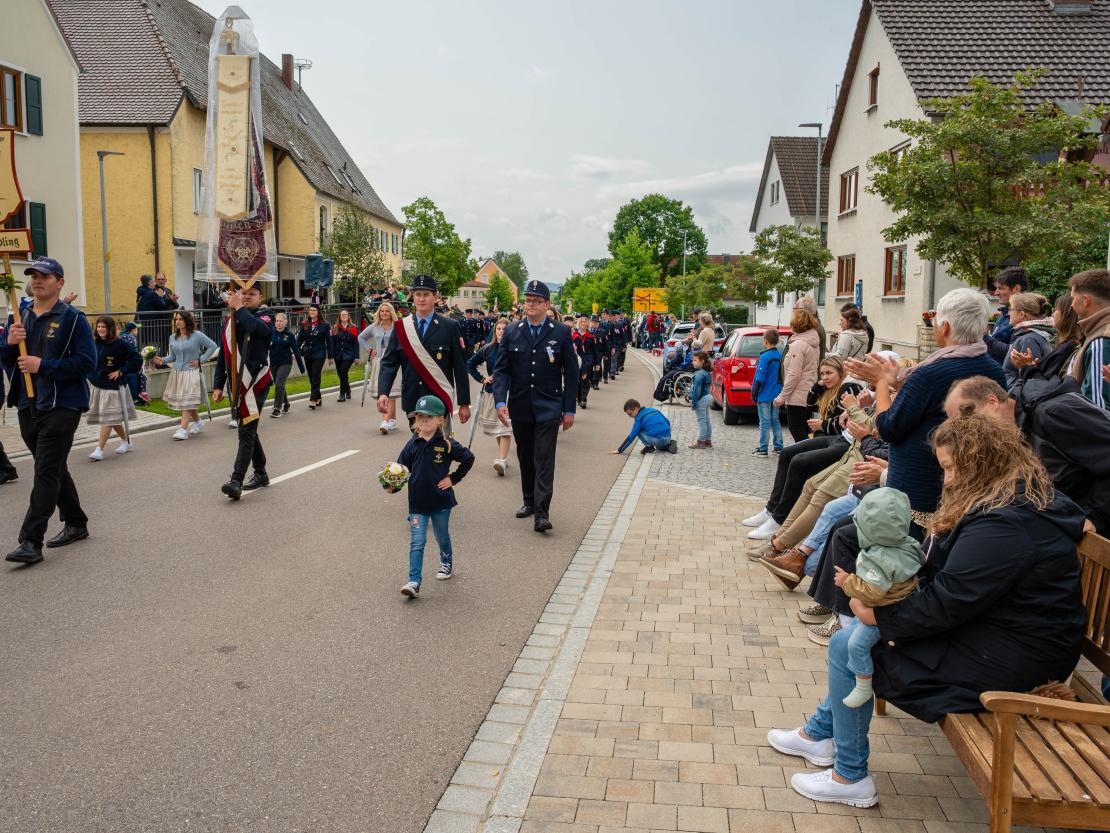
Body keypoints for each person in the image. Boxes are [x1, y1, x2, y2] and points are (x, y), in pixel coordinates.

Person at [768, 412, 1085, 808]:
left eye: (950, 469)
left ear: (981, 465)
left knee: (849, 646)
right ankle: (821, 736)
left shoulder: (1004, 523)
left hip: (1014, 658)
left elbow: (948, 602)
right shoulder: (1016, 500)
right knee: (853, 641)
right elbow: (955, 590)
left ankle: (849, 775)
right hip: (1014, 637)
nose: (946, 480)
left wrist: (879, 617)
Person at [2, 257, 96, 564]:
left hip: (63, 405)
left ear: (60, 282)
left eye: (45, 275)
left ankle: (31, 541)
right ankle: (76, 521)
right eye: (34, 275)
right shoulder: (21, 316)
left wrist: (42, 365)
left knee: (44, 470)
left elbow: (87, 363)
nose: (38, 280)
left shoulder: (73, 318)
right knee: (53, 466)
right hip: (28, 404)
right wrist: (8, 343)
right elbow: (7, 360)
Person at [946, 374, 1110, 535]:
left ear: (992, 402)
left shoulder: (1052, 414)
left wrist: (1096, 517)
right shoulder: (1010, 433)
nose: (964, 430)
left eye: (966, 417)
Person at [491, 279, 578, 532]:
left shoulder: (560, 332)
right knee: (526, 455)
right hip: (520, 404)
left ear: (547, 304)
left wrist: (569, 409)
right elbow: (501, 369)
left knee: (544, 458)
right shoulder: (512, 331)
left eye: (536, 301)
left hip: (549, 405)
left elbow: (571, 373)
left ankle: (542, 512)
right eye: (528, 300)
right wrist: (500, 400)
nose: (531, 304)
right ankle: (529, 500)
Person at [747, 357, 860, 541]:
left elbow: (846, 422)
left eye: (829, 373)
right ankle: (771, 509)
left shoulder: (848, 388)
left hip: (845, 442)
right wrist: (818, 386)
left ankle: (779, 519)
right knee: (786, 453)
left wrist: (823, 425)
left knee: (799, 462)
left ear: (841, 372)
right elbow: (810, 405)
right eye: (822, 374)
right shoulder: (827, 390)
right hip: (831, 437)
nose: (825, 377)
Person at [832, 488, 924, 708]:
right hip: (909, 601)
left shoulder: (877, 558)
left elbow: (873, 592)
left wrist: (847, 582)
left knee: (855, 645)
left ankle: (863, 685)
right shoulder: (909, 543)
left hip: (885, 610)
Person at [391, 394, 475, 598]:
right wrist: (392, 486)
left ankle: (446, 561)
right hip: (417, 503)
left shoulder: (446, 443)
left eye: (429, 416)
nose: (424, 420)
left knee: (441, 535)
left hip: (441, 502)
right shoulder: (412, 444)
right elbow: (400, 469)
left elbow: (468, 458)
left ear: (440, 419)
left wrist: (453, 479)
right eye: (420, 416)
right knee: (417, 542)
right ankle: (414, 581)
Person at [377, 275, 472, 432]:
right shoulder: (401, 327)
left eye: (426, 294)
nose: (421, 299)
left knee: (438, 445)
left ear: (434, 297)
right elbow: (389, 363)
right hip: (413, 398)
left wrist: (464, 403)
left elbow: (460, 367)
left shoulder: (450, 327)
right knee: (418, 443)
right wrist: (383, 393)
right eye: (418, 294)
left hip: (439, 398)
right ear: (413, 297)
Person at [212, 284, 276, 500]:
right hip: (237, 383)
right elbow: (225, 354)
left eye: (252, 294)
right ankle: (261, 472)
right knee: (248, 428)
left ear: (260, 297)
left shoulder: (266, 315)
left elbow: (257, 329)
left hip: (256, 382)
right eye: (243, 293)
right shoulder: (231, 319)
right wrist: (218, 385)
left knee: (246, 431)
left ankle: (236, 481)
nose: (247, 297)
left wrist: (238, 307)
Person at [154, 311, 218, 439]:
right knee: (186, 400)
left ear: (187, 321)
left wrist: (201, 360)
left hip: (192, 372)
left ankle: (182, 429)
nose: (177, 322)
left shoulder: (197, 335)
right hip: (177, 372)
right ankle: (198, 422)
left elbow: (213, 346)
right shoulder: (173, 337)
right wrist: (163, 360)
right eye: (176, 319)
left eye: (180, 319)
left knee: (187, 401)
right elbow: (172, 357)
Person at [86, 316, 141, 461]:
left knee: (107, 419)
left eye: (103, 327)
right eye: (98, 326)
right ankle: (126, 441)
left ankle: (99, 449)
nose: (100, 329)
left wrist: (121, 371)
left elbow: (137, 359)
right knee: (111, 417)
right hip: (97, 385)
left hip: (113, 387)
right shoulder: (94, 342)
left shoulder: (120, 344)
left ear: (110, 328)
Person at [467, 316, 514, 475]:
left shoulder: (515, 348)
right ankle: (503, 457)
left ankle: (502, 459)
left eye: (504, 329)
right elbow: (470, 364)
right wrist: (482, 379)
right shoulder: (488, 349)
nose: (501, 331)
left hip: (509, 392)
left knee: (505, 427)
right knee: (496, 428)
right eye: (498, 329)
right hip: (492, 392)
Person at [1009, 291, 1082, 381]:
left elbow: (1046, 384)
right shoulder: (1066, 344)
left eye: (1055, 310)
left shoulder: (1029, 338)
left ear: (1066, 315)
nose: (1052, 314)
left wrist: (1028, 367)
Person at [776, 308, 820, 442]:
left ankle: (805, 455)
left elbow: (794, 373)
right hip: (809, 393)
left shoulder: (798, 344)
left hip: (798, 396)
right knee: (805, 431)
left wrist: (782, 396)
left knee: (798, 432)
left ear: (796, 324)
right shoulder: (813, 342)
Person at [1068, 267, 1110, 408]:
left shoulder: (1101, 340)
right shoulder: (1098, 333)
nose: (1071, 304)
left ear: (1085, 300)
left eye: (1073, 298)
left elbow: (1097, 406)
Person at [359, 301, 400, 433]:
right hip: (379, 361)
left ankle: (385, 421)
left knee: (390, 392)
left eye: (387, 311)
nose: (384, 313)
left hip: (393, 361)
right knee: (385, 390)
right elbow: (361, 337)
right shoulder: (374, 326)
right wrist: (370, 350)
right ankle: (392, 420)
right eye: (382, 311)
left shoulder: (397, 326)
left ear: (391, 313)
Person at [1002, 291, 1054, 390]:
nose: (1008, 313)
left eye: (1011, 309)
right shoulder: (1035, 335)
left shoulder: (1028, 340)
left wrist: (1013, 394)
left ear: (1021, 314)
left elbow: (1029, 381)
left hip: (1020, 396)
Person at [983, 266, 1028, 363]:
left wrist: (985, 337)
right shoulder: (1004, 312)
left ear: (1016, 288)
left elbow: (1015, 352)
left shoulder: (1025, 317)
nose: (996, 293)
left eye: (1000, 288)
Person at [752, 329, 784, 456]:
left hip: (764, 394)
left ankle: (763, 448)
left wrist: (755, 392)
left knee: (764, 422)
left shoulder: (764, 357)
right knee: (775, 420)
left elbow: (760, 377)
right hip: (777, 393)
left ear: (765, 341)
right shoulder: (780, 355)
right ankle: (778, 447)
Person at [268, 312, 303, 418]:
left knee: (279, 383)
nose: (278, 323)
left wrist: (301, 367)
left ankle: (277, 408)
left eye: (281, 321)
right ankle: (286, 403)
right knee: (280, 384)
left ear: (285, 322)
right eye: (277, 321)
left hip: (286, 363)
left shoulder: (290, 335)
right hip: (273, 363)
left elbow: (296, 351)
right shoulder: (271, 333)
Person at [611, 398, 676, 455]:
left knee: (637, 431)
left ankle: (649, 446)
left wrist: (619, 450)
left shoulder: (639, 419)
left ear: (636, 409)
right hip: (668, 436)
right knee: (659, 441)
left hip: (658, 441)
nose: (630, 416)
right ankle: (668, 445)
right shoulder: (653, 409)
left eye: (630, 414)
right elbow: (667, 422)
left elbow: (631, 436)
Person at [297, 305, 332, 410]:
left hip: (319, 354)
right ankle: (318, 397)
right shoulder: (305, 324)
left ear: (318, 312)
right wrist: (295, 351)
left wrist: (330, 356)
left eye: (314, 310)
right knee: (311, 376)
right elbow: (299, 339)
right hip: (308, 354)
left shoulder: (325, 325)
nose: (312, 312)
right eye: (310, 310)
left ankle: (313, 399)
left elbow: (329, 341)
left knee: (315, 375)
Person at [571, 315, 599, 409]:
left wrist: (597, 363)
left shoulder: (591, 336)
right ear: (578, 323)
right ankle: (579, 397)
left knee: (585, 379)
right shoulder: (574, 336)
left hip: (587, 360)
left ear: (587, 324)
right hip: (577, 359)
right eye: (581, 322)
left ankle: (583, 399)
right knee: (577, 380)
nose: (583, 323)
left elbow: (595, 351)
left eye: (585, 322)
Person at [331, 308, 359, 402]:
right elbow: (332, 343)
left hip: (349, 354)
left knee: (343, 371)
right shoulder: (335, 327)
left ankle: (342, 394)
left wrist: (357, 357)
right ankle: (348, 389)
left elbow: (355, 343)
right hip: (338, 354)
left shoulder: (353, 327)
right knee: (341, 374)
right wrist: (331, 356)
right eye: (342, 315)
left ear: (348, 316)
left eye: (345, 314)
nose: (343, 316)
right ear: (339, 317)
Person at [688, 351, 713, 449]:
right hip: (708, 396)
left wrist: (693, 403)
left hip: (702, 399)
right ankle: (708, 440)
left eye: (695, 360)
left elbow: (696, 391)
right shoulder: (706, 372)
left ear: (702, 361)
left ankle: (701, 441)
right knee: (707, 420)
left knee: (702, 420)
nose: (692, 362)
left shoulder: (699, 374)